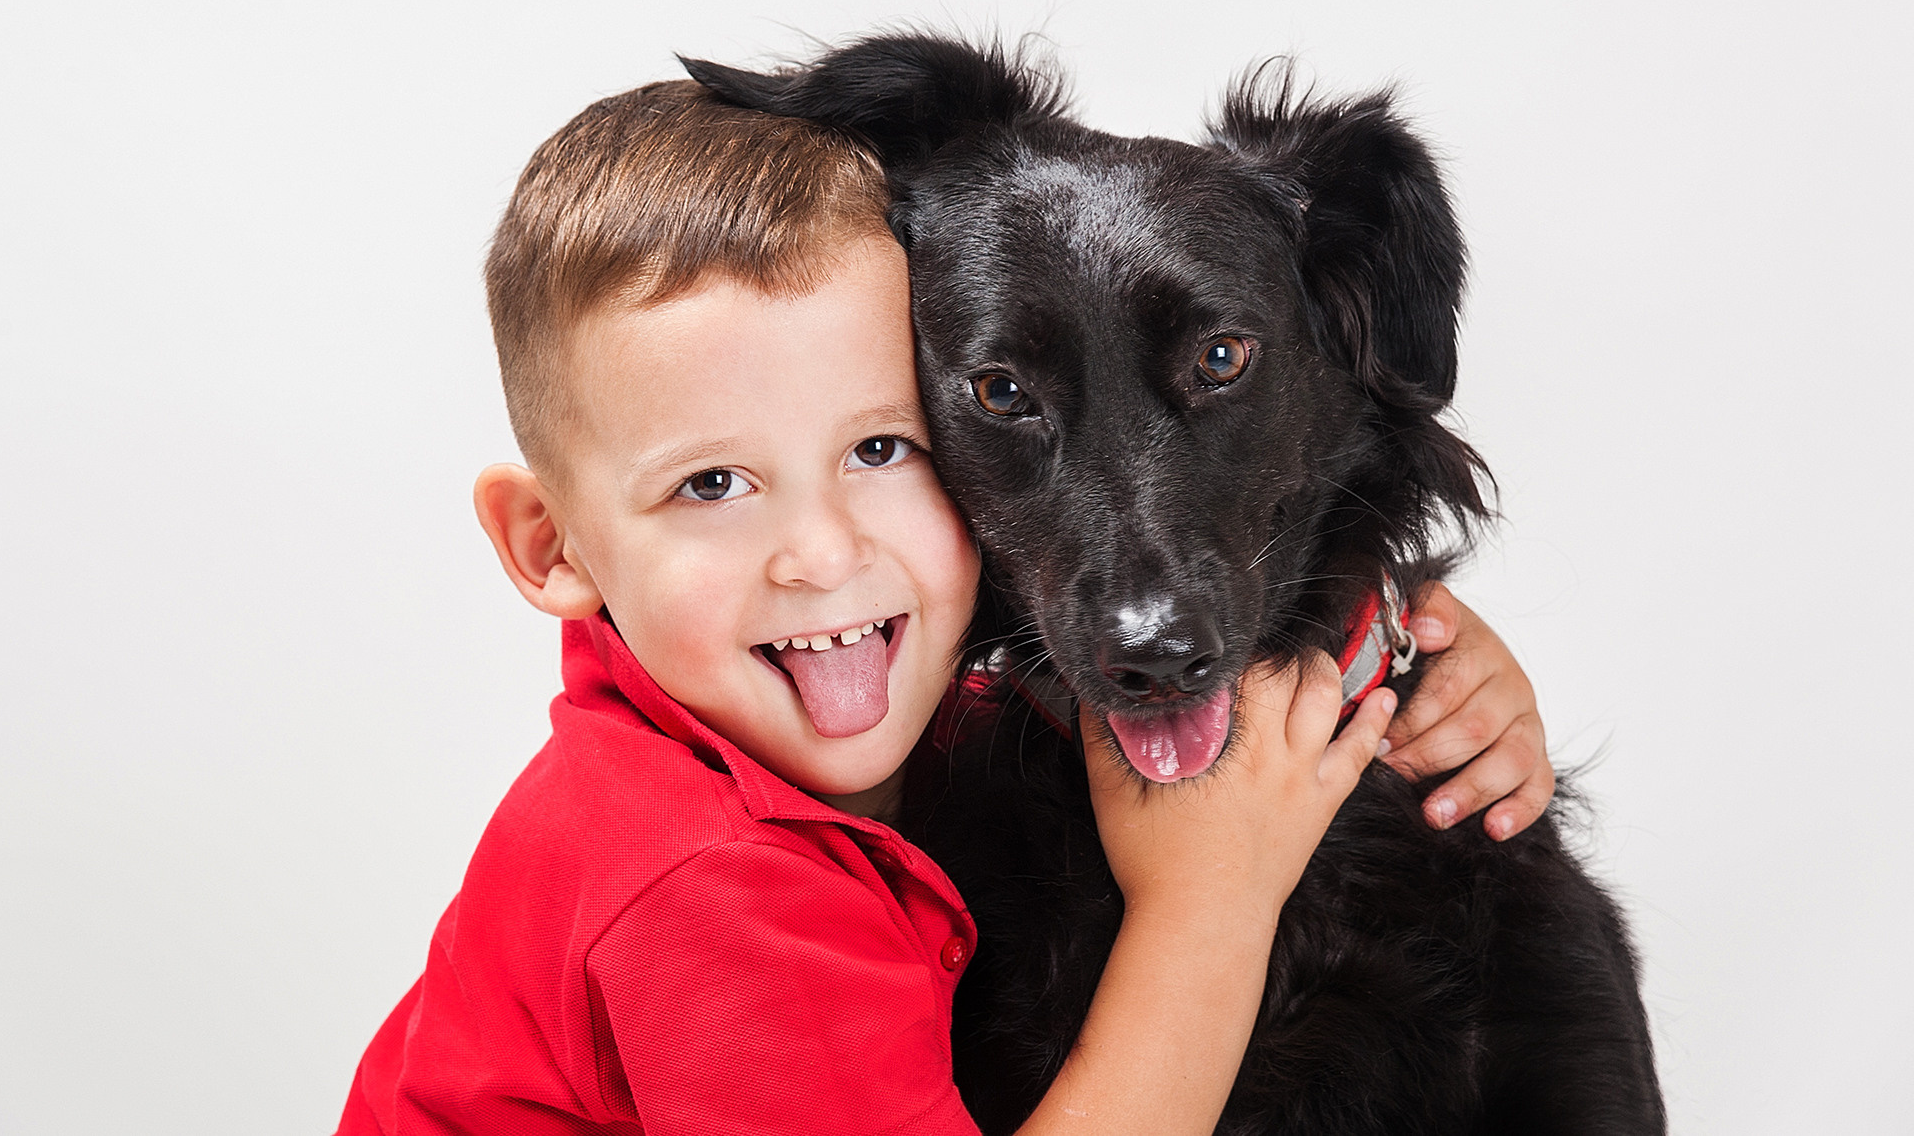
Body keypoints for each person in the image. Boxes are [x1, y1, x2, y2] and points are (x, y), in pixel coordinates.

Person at [337, 80, 1556, 1135]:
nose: (820, 556)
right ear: (553, 544)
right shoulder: (703, 886)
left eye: (878, 447)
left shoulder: (881, 718)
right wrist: (1206, 902)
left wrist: (1406, 640)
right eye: (711, 483)